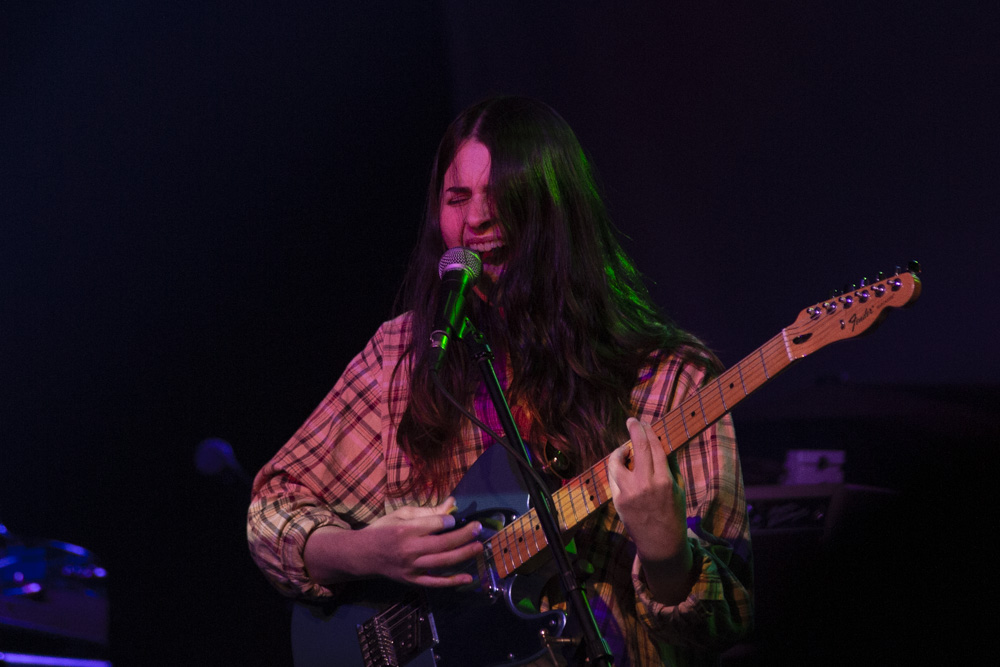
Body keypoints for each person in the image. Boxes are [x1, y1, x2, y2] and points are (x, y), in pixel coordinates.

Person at [247, 96, 752, 666]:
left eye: (504, 197)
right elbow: (272, 511)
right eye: (456, 197)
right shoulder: (402, 356)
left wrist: (666, 554)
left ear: (558, 210)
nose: (477, 220)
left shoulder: (667, 379)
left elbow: (725, 621)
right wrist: (364, 552)